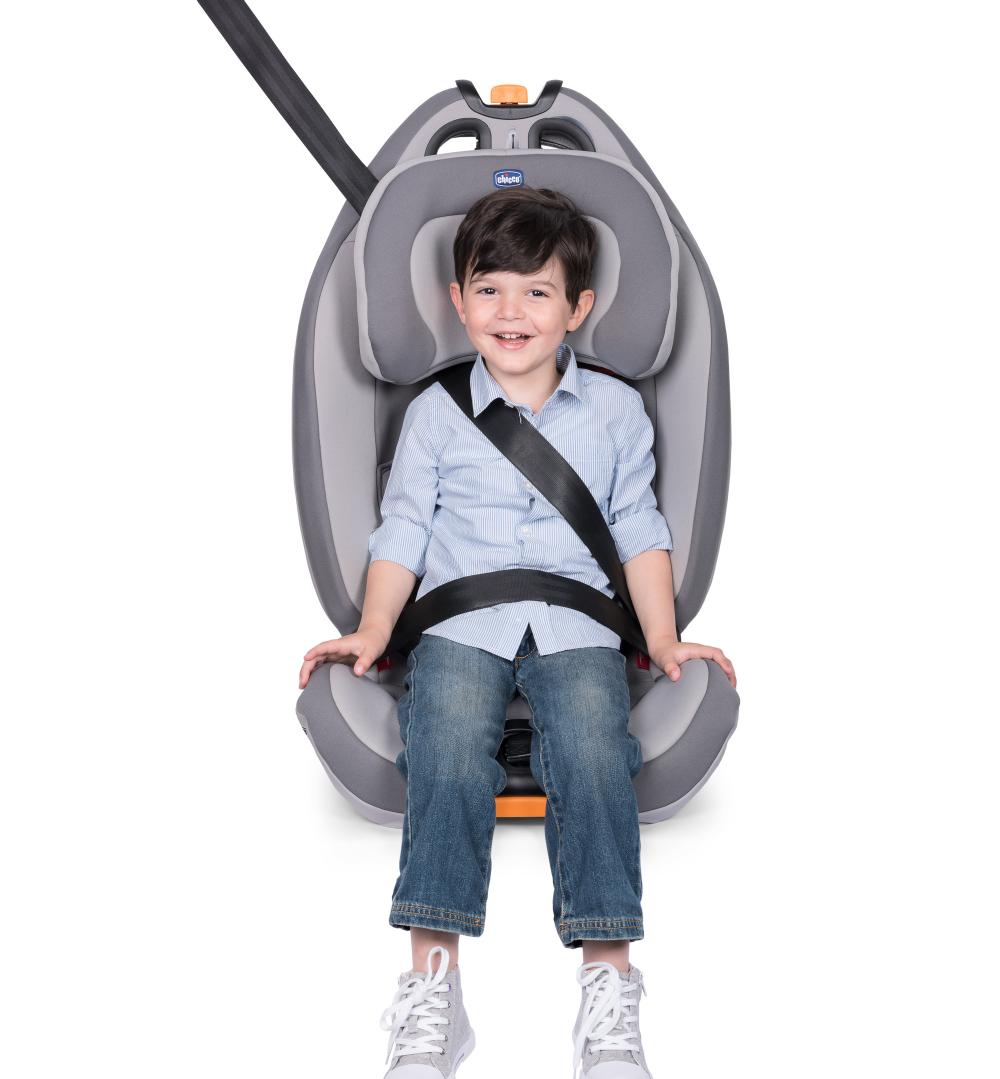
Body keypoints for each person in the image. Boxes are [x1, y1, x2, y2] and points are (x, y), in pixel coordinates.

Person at [298, 186, 736, 1079]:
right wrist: (372, 629)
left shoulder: (615, 412)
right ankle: (434, 988)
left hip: (578, 623)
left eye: (537, 292)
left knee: (593, 750)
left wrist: (664, 640)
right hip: (462, 621)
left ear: (579, 308)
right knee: (447, 744)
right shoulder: (433, 414)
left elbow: (640, 530)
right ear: (457, 302)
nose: (511, 312)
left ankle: (608, 989)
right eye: (490, 289)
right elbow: (403, 530)